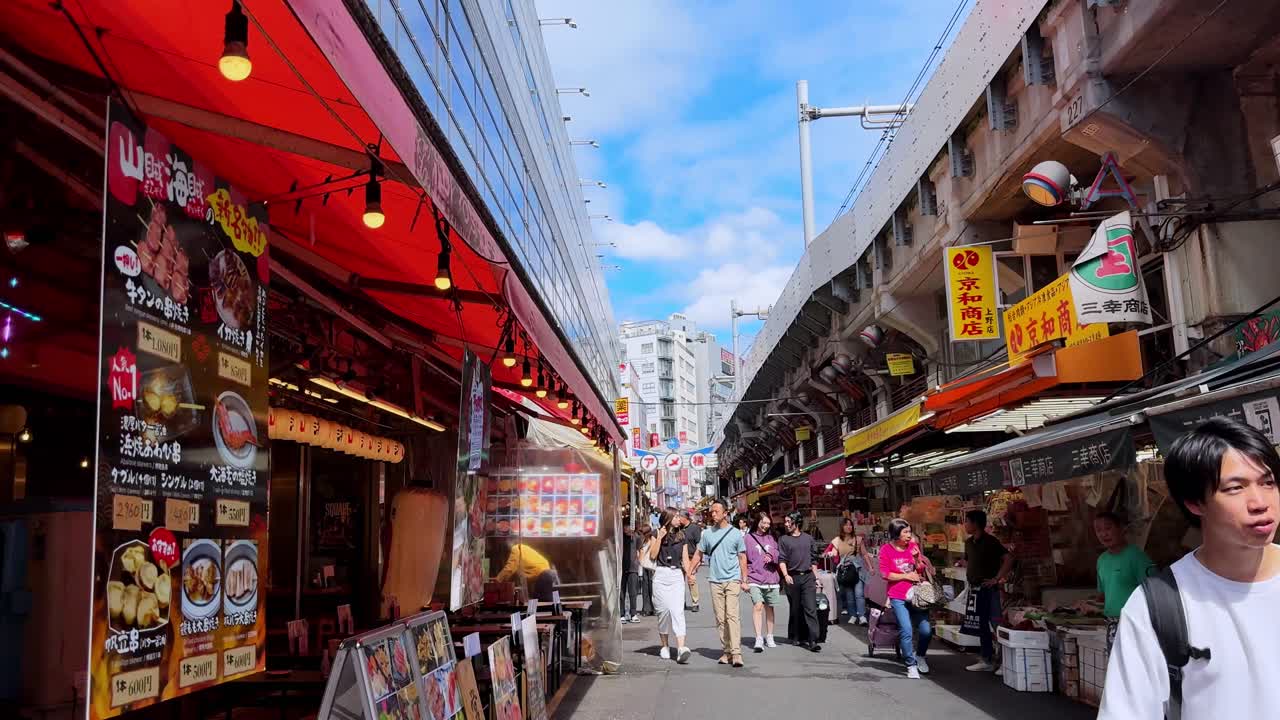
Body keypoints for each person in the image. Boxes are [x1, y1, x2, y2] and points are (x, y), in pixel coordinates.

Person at [1099, 417, 1280, 719]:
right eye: (1235, 488)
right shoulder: (1158, 605)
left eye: (1268, 482)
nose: (1260, 502)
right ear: (1195, 503)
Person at [691, 498, 749, 667]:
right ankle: (727, 651)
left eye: (716, 511)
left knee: (732, 615)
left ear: (726, 514)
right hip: (715, 579)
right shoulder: (707, 534)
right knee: (720, 618)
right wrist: (690, 570)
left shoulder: (736, 533)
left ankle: (736, 653)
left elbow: (742, 557)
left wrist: (744, 579)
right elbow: (698, 553)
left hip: (732, 579)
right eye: (712, 511)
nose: (713, 514)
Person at [879, 519, 934, 679]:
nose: (909, 536)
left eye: (910, 532)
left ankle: (920, 656)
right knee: (906, 629)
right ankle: (910, 664)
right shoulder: (886, 550)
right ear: (896, 534)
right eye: (906, 532)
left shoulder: (913, 547)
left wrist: (917, 559)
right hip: (898, 596)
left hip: (917, 595)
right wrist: (906, 575)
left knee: (926, 630)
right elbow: (885, 574)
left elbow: (921, 569)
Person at [1092, 511, 1152, 650]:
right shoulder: (1102, 560)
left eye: (1108, 528)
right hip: (1111, 624)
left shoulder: (1137, 557)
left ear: (1121, 529)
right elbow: (1103, 596)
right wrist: (1089, 605)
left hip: (1135, 624)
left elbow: (1153, 591)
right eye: (1098, 530)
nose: (1103, 534)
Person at [963, 509, 1013, 672]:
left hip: (988, 589)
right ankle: (987, 659)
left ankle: (1005, 661)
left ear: (975, 524)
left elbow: (1008, 558)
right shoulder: (969, 543)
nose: (965, 525)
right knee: (980, 624)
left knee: (995, 622)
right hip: (974, 589)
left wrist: (996, 578)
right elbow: (969, 560)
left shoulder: (991, 542)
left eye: (966, 521)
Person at [647, 509, 693, 664]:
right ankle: (665, 646)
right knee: (663, 612)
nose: (679, 519)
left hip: (676, 575)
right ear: (668, 518)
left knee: (677, 610)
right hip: (660, 574)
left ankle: (681, 648)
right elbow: (652, 556)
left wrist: (690, 575)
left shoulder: (682, 536)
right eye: (676, 516)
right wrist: (659, 537)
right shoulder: (656, 533)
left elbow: (685, 559)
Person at [778, 511, 822, 652]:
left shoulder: (809, 539)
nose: (786, 524)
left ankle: (813, 639)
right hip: (793, 577)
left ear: (796, 522)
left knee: (810, 608)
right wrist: (785, 575)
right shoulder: (783, 539)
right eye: (785, 521)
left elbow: (814, 560)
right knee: (796, 608)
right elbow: (782, 559)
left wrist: (816, 578)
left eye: (788, 521)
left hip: (808, 576)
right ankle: (796, 635)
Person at [743, 511, 781, 651]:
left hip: (771, 577)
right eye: (763, 523)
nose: (765, 526)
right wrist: (744, 579)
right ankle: (759, 638)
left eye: (768, 524)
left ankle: (770, 636)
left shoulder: (772, 538)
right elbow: (743, 559)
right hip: (754, 577)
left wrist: (772, 556)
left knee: (770, 607)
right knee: (758, 606)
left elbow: (778, 554)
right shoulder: (748, 538)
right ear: (757, 522)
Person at [828, 517, 873, 625]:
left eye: (850, 525)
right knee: (849, 595)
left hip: (857, 569)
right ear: (842, 527)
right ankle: (853, 615)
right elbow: (834, 552)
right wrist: (831, 554)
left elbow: (865, 554)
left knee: (859, 594)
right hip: (846, 570)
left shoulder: (858, 539)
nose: (849, 527)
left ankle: (862, 616)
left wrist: (870, 567)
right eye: (846, 525)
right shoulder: (837, 540)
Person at [494, 543, 559, 602]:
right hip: (547, 573)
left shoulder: (516, 549)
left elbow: (510, 567)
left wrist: (498, 580)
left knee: (540, 600)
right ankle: (549, 612)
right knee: (542, 598)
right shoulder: (524, 547)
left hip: (544, 574)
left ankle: (547, 613)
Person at [682, 510, 703, 612]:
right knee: (679, 582)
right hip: (679, 558)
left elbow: (699, 544)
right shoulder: (678, 528)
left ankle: (695, 602)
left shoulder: (694, 528)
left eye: (679, 517)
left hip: (691, 558)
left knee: (692, 580)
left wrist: (699, 560)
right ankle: (682, 602)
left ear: (684, 518)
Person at [620, 524, 641, 624]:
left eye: (628, 526)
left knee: (633, 593)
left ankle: (633, 614)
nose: (626, 528)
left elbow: (639, 550)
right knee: (621, 592)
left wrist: (638, 562)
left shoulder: (636, 537)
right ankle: (621, 614)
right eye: (625, 526)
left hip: (633, 568)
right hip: (621, 567)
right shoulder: (620, 537)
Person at [638, 524, 656, 616]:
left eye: (642, 532)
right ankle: (647, 608)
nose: (640, 534)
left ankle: (651, 608)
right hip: (646, 566)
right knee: (646, 588)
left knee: (651, 588)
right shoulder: (643, 541)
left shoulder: (651, 541)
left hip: (650, 566)